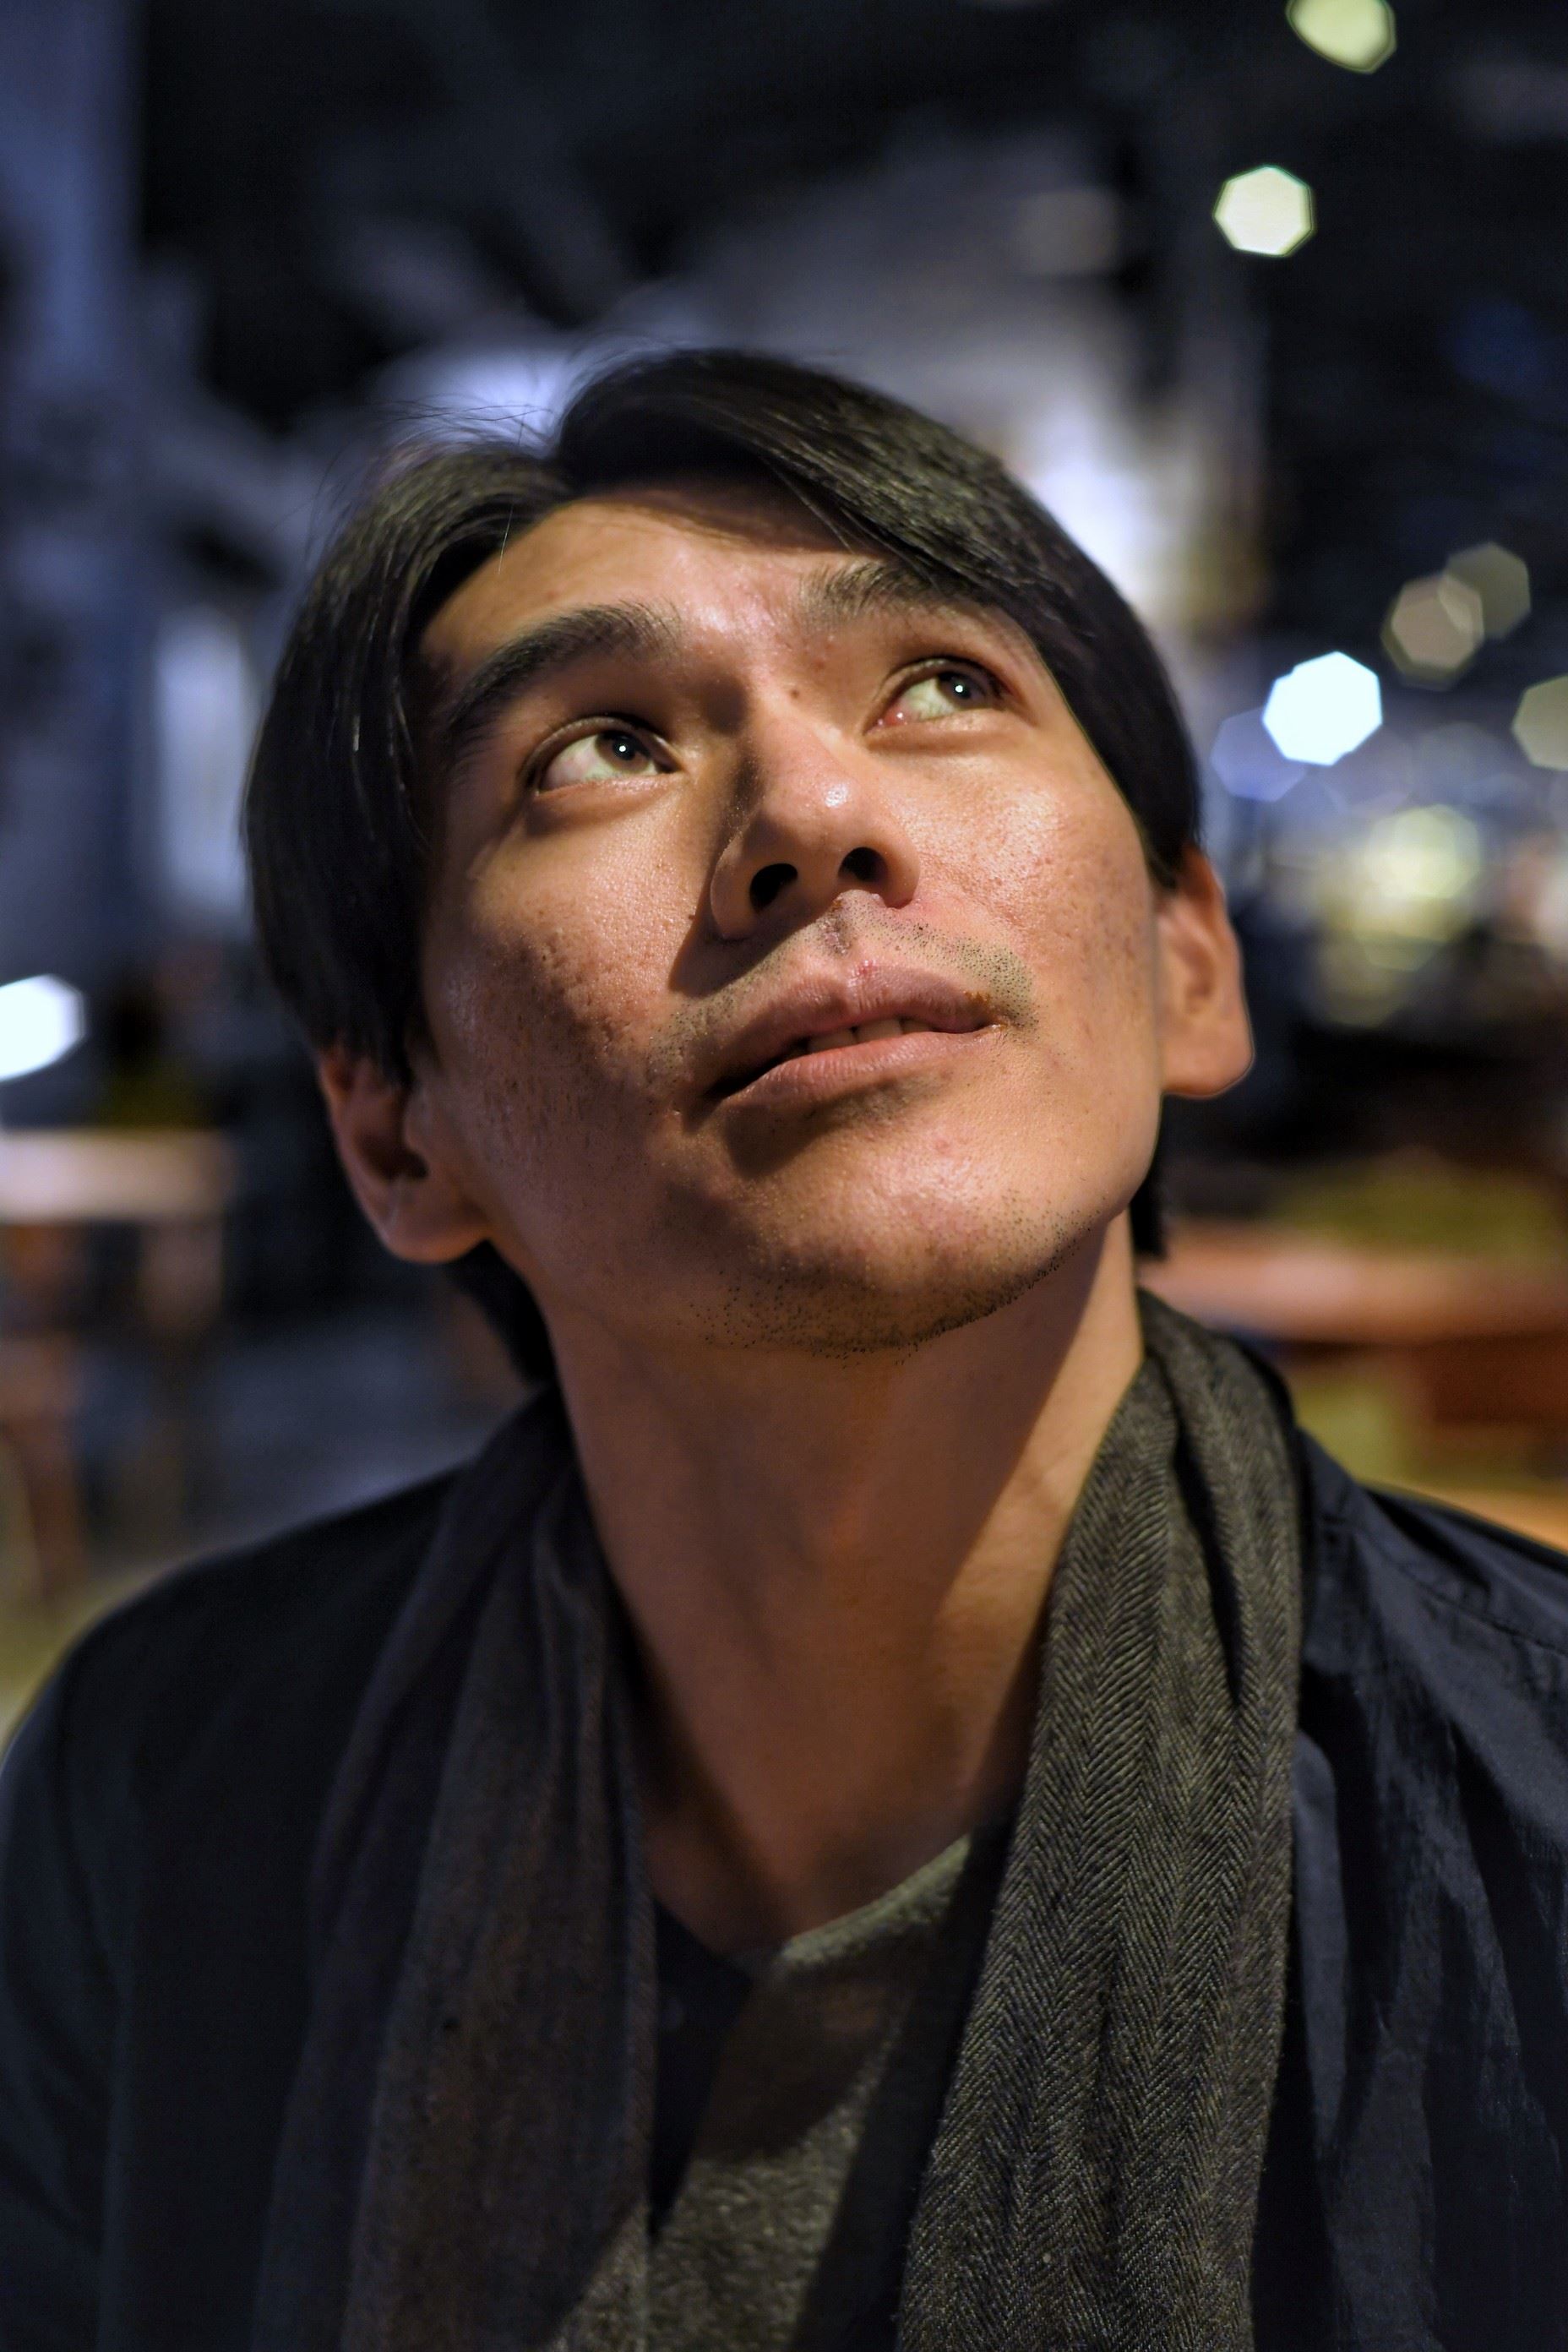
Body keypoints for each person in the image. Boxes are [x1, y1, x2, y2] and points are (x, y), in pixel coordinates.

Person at [3, 351, 1567, 2352]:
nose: (814, 816)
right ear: (394, 1129)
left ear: (1187, 961)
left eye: (940, 688)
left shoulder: (1521, 1815)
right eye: (598, 750)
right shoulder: (166, 1803)